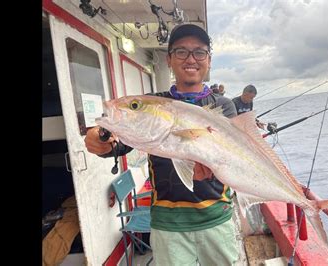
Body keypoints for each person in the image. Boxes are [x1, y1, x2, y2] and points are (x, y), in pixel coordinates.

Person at [84, 24, 239, 266]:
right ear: (169, 59)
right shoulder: (156, 102)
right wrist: (101, 136)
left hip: (216, 219)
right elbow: (119, 143)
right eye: (181, 52)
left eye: (199, 52)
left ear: (208, 60)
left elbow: (232, 156)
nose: (191, 59)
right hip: (168, 225)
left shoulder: (224, 106)